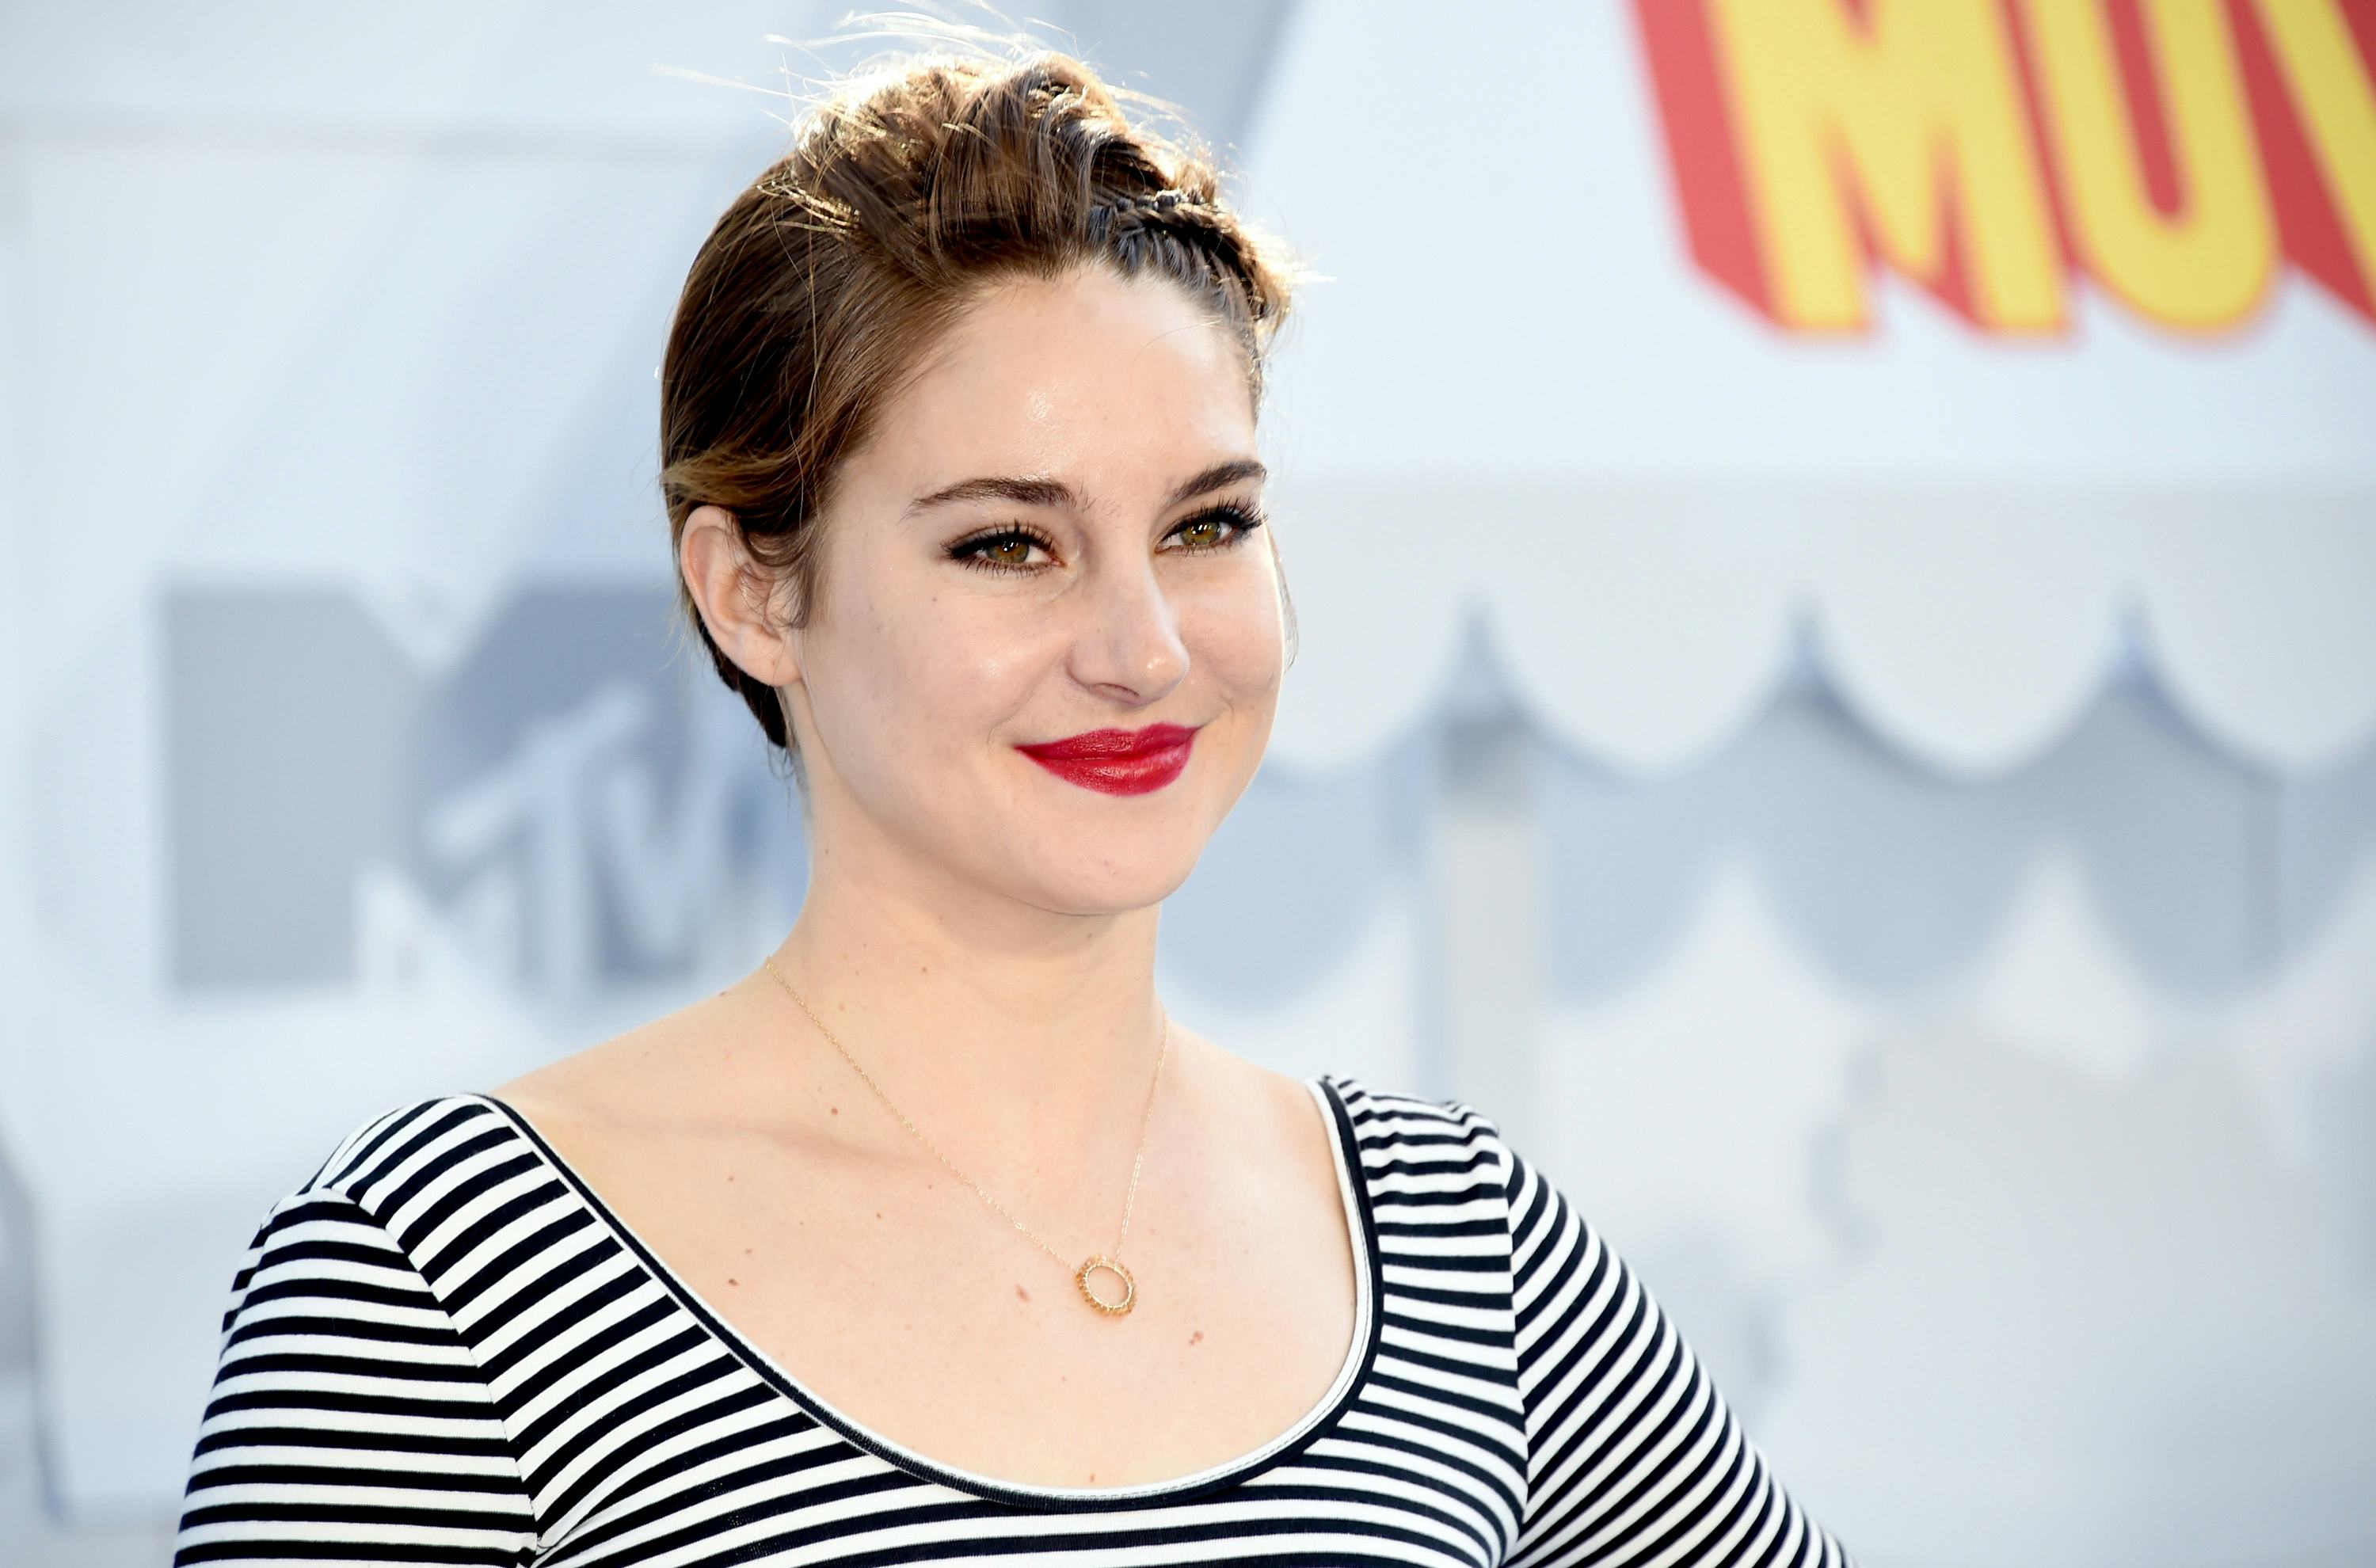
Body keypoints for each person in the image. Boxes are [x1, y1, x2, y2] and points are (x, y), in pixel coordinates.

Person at [172, 39, 1856, 1568]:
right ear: (753, 595)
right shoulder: (440, 1284)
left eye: (1206, 525)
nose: (1144, 648)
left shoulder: (1459, 1246)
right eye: (1006, 544)